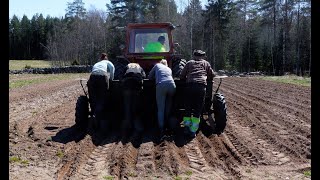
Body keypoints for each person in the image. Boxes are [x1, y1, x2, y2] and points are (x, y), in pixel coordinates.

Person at [179, 50, 215, 138]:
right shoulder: (206, 63)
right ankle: (192, 131)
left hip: (189, 87)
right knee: (197, 111)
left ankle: (186, 128)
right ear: (202, 56)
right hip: (200, 88)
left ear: (194, 56)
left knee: (187, 109)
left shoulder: (189, 63)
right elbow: (212, 74)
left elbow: (182, 75)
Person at [87, 53, 115, 132]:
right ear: (106, 58)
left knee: (93, 97)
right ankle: (100, 116)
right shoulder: (108, 62)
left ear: (100, 58)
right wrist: (111, 80)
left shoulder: (97, 63)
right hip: (102, 76)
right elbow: (112, 68)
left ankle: (93, 114)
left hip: (93, 77)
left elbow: (93, 71)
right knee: (103, 97)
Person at [148, 59, 176, 139]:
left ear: (160, 63)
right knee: (168, 106)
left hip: (161, 85)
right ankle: (168, 124)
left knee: (161, 108)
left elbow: (150, 76)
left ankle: (161, 128)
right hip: (172, 86)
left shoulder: (157, 65)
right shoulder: (169, 69)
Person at [121, 63, 146, 139]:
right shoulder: (139, 66)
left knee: (127, 107)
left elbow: (121, 75)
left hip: (127, 85)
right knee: (135, 106)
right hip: (136, 85)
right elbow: (144, 76)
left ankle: (128, 127)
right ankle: (137, 127)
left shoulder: (127, 65)